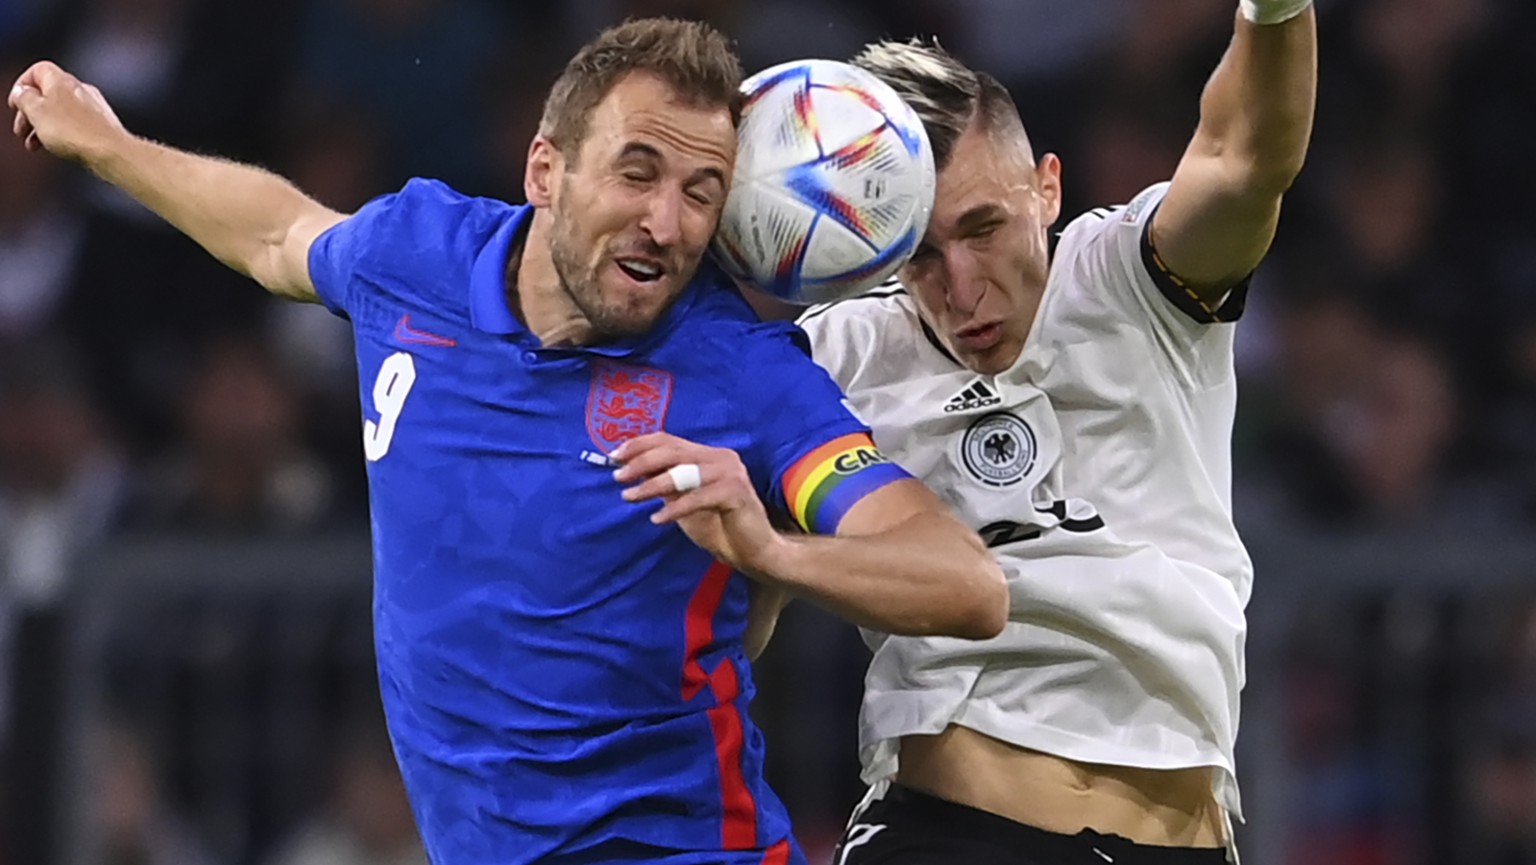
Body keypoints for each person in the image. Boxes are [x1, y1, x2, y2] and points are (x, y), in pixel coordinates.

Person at [8, 18, 1008, 865]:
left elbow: (967, 584)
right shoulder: (418, 256)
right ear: (546, 169)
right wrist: (106, 145)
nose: (666, 222)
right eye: (639, 171)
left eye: (702, 192)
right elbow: (278, 235)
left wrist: (774, 550)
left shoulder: (740, 374)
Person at [793, 2, 1318, 863]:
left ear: (1048, 187)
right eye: (919, 254)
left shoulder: (1130, 279)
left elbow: (1245, 155)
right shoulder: (838, 357)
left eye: (983, 229)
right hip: (952, 828)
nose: (960, 287)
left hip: (1182, 835)